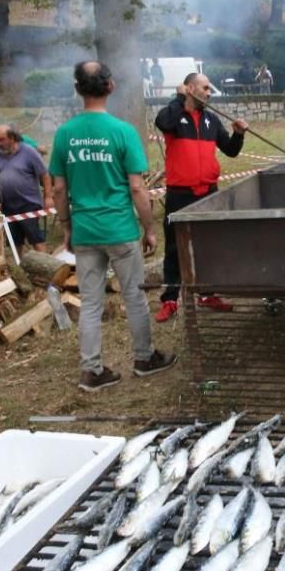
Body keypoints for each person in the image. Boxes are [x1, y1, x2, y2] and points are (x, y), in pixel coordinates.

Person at [49, 60, 176, 392]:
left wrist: (66, 226)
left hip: (85, 230)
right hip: (120, 229)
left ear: (77, 89)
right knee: (134, 296)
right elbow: (137, 188)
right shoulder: (122, 132)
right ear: (111, 86)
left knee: (90, 303)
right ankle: (145, 359)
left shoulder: (64, 134)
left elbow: (59, 189)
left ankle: (92, 370)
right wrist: (149, 228)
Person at [153, 72, 248, 323]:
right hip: (179, 194)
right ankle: (171, 298)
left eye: (209, 89)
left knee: (208, 244)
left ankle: (207, 294)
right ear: (190, 88)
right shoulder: (174, 116)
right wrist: (179, 98)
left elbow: (230, 151)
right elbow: (162, 122)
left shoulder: (211, 120)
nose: (209, 93)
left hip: (208, 193)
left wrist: (238, 134)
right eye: (204, 88)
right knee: (174, 247)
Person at [0, 124, 53, 255]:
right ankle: (19, 268)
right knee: (15, 241)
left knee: (35, 238)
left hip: (29, 203)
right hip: (8, 204)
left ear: (12, 138)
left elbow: (44, 175)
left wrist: (48, 197)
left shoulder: (29, 152)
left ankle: (47, 267)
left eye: (2, 140)